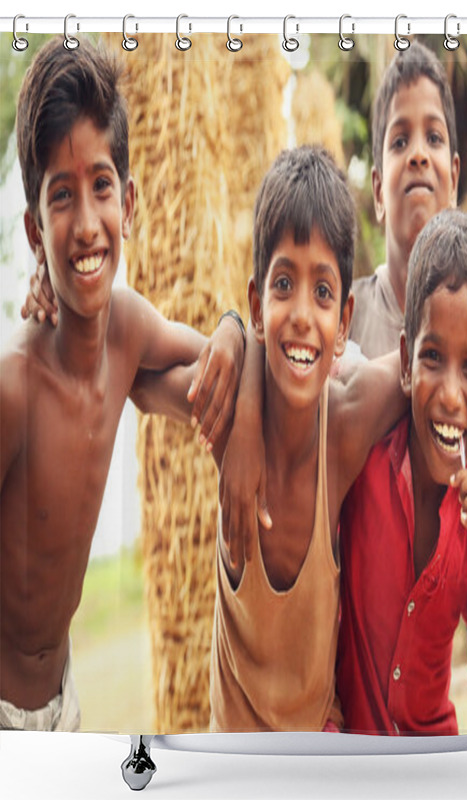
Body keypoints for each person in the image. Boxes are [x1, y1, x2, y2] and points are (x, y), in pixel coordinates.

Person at [223, 41, 467, 622]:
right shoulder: (339, 314)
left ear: (454, 176)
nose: (418, 156)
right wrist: (242, 372)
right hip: (335, 644)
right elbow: (269, 337)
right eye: (400, 139)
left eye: (434, 138)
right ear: (377, 187)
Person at [0, 38, 243, 732]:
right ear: (34, 228)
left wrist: (231, 324)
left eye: (101, 186)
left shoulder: (129, 333)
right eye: (60, 197)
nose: (85, 224)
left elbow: (224, 366)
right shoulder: (14, 388)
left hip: (63, 698)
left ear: (129, 202)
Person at [206, 146, 411, 732]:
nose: (301, 313)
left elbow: (438, 368)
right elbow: (136, 362)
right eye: (283, 284)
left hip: (319, 761)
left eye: (323, 293)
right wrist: (231, 331)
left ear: (344, 321)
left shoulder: (344, 428)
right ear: (256, 300)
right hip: (232, 770)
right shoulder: (222, 414)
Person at [337, 209, 467, 735]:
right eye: (432, 357)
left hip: (432, 766)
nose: (451, 395)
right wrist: (231, 330)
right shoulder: (363, 451)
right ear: (405, 362)